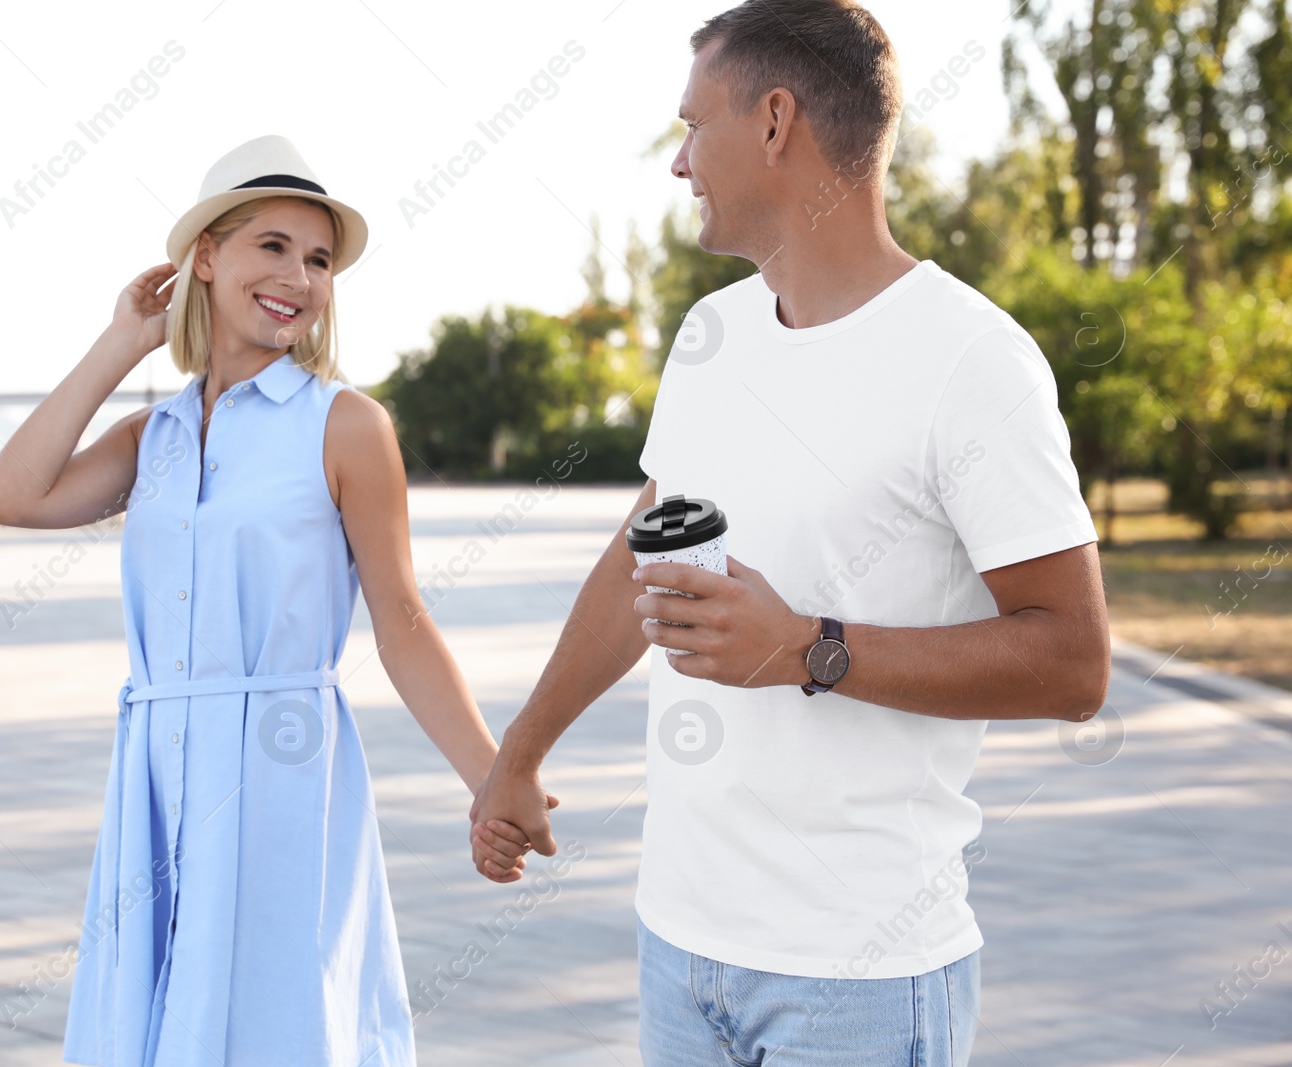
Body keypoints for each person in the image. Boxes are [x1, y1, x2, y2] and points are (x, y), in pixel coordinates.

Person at [467, 3, 1111, 1065]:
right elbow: (641, 555)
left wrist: (809, 646)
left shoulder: (971, 360)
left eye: (691, 125)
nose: (677, 163)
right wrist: (518, 752)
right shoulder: (711, 333)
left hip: (856, 976)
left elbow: (1074, 660)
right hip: (678, 948)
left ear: (774, 121)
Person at [0, 135, 542, 1067]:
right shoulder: (150, 435)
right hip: (155, 774)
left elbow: (400, 620)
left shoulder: (346, 424)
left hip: (282, 771)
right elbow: (10, 495)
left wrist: (493, 776)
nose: (301, 277)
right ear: (205, 258)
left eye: (318, 259)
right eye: (272, 246)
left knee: (280, 1025)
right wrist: (122, 342)